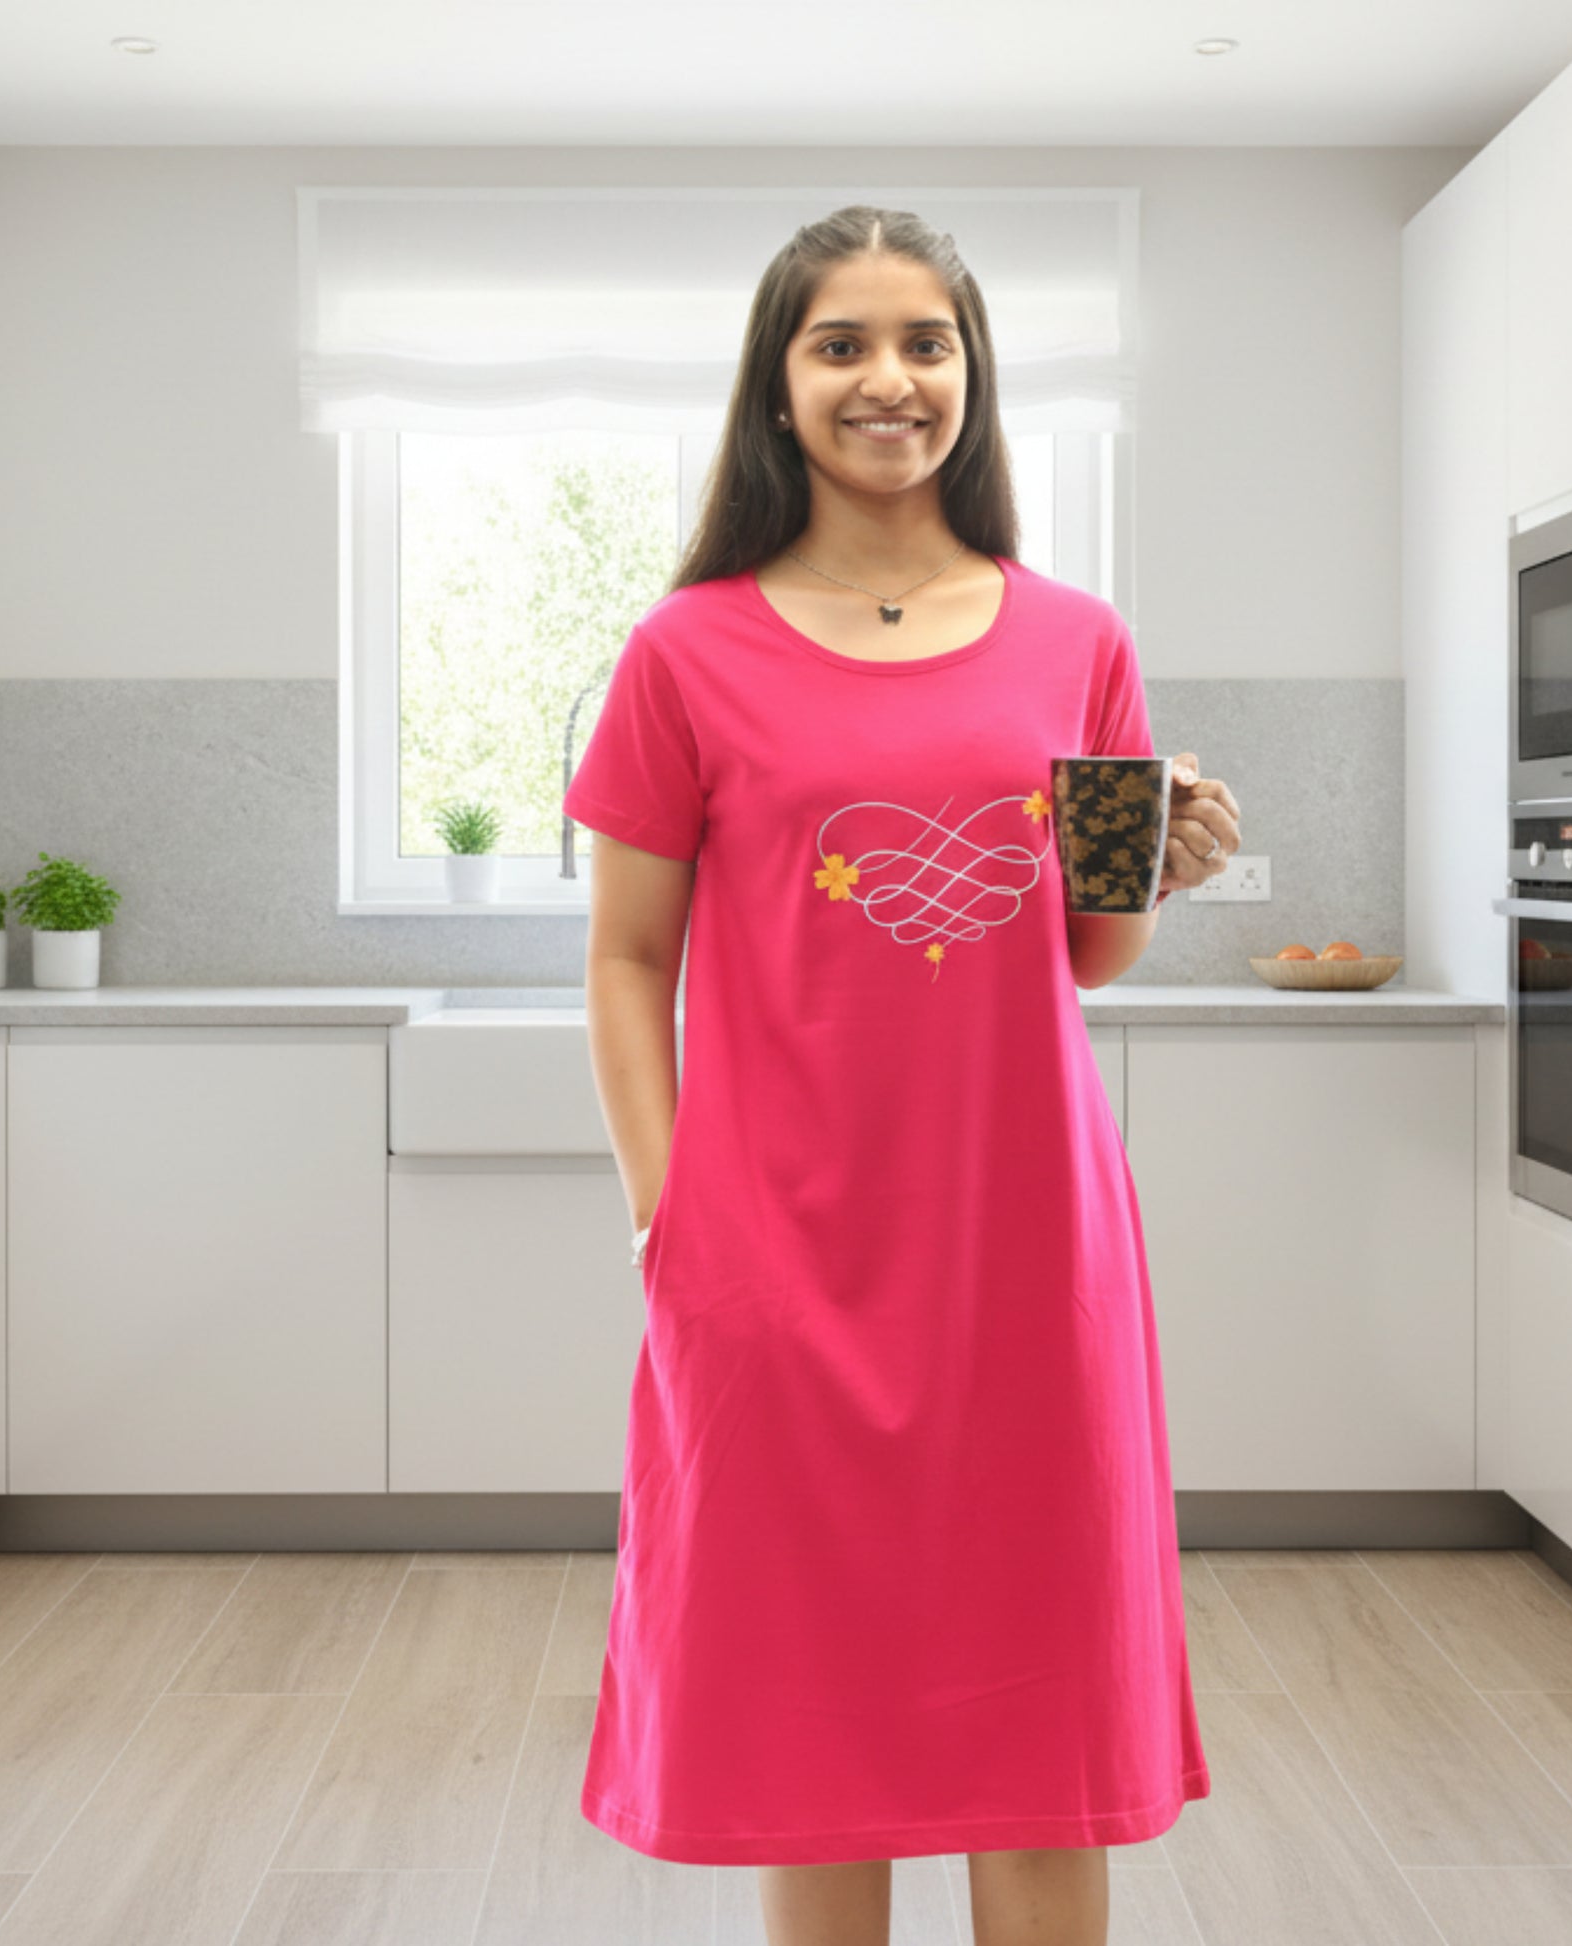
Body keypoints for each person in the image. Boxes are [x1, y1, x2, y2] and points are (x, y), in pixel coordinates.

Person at [563, 204, 1241, 1946]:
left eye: (924, 342)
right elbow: (628, 959)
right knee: (814, 1713)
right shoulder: (684, 651)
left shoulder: (1075, 639)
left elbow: (1086, 955)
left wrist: (1157, 869)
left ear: (972, 373)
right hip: (775, 1252)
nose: (888, 379)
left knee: (1037, 1704)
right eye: (841, 343)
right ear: (777, 387)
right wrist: (668, 1211)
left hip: (1026, 1247)